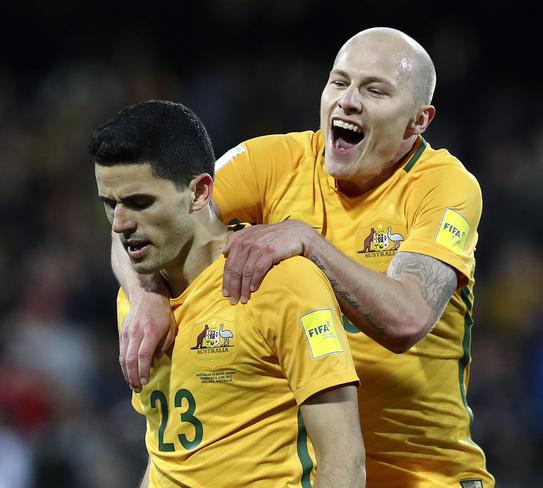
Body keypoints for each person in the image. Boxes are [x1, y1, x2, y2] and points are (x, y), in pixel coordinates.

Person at [115, 27, 494, 487]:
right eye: (339, 82)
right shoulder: (273, 161)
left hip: (424, 477)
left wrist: (307, 242)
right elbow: (147, 220)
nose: (348, 101)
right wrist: (147, 295)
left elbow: (407, 319)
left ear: (419, 121)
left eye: (374, 90)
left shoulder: (444, 187)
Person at [90, 100, 365, 487]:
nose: (119, 224)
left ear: (200, 192)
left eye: (139, 203)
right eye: (110, 204)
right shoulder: (137, 304)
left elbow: (345, 461)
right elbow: (168, 452)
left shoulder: (283, 284)